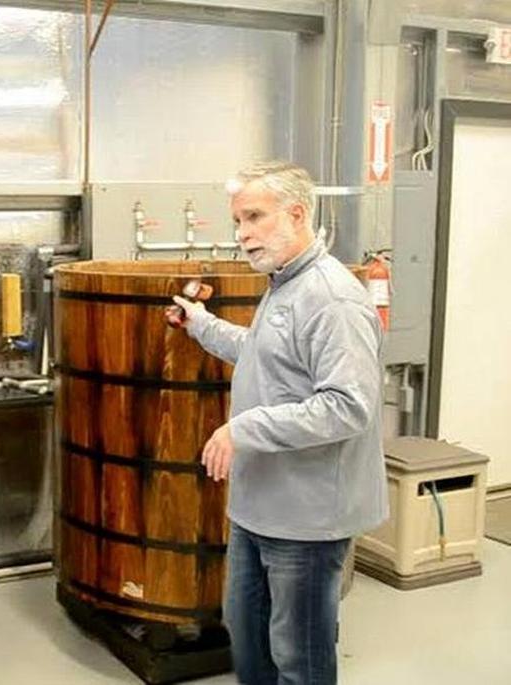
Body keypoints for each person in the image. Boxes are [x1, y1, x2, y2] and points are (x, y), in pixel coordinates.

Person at [167, 161, 388, 685]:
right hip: (260, 506)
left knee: (298, 657)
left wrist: (242, 429)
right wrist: (201, 325)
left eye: (254, 217)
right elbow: (264, 354)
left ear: (296, 214)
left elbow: (347, 405)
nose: (242, 235)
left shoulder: (332, 298)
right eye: (238, 221)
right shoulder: (286, 283)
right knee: (249, 639)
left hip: (306, 518)